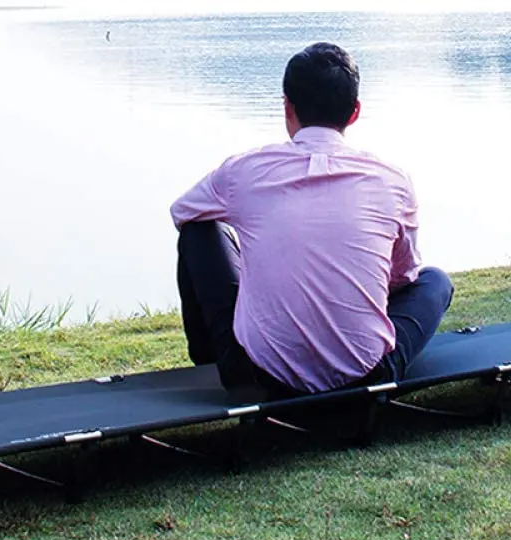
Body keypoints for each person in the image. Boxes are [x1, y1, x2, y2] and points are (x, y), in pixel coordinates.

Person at [170, 42, 453, 399]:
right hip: (366, 376)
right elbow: (404, 276)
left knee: (199, 229)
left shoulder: (244, 172)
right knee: (435, 281)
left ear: (287, 106)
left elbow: (183, 212)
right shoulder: (392, 180)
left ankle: (211, 359)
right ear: (354, 112)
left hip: (257, 375)